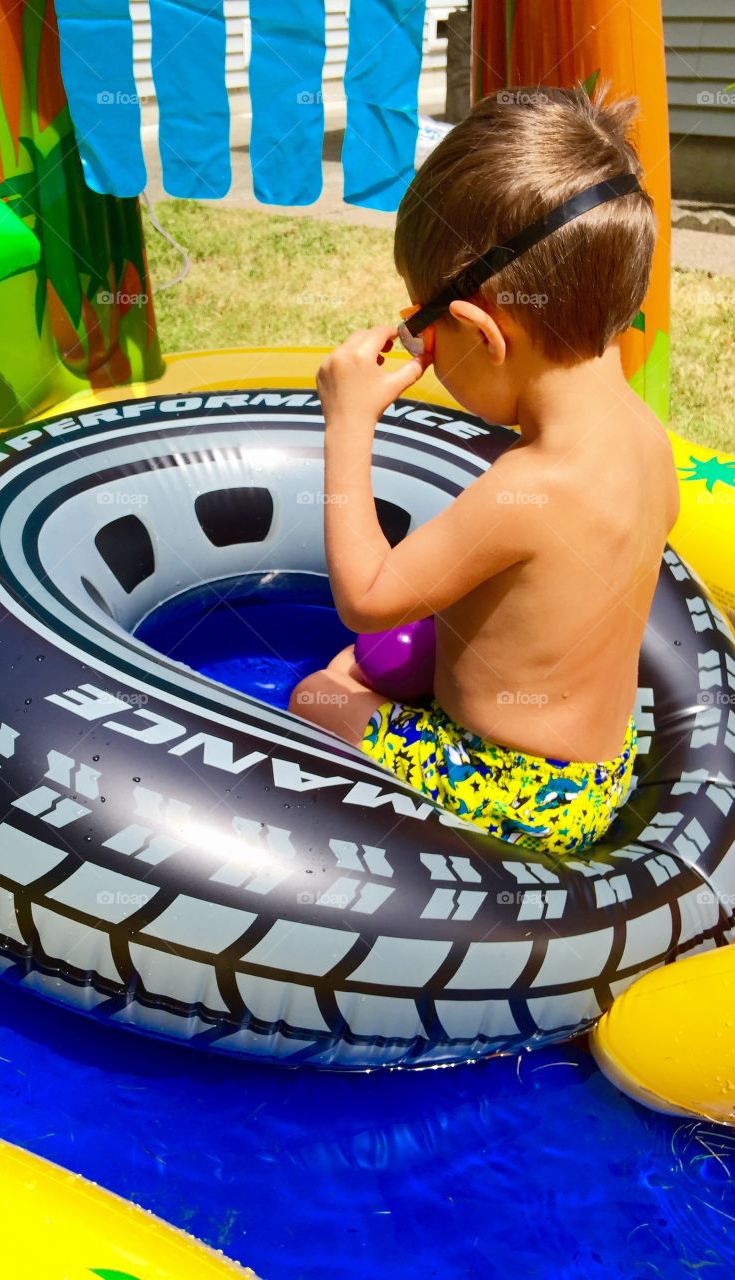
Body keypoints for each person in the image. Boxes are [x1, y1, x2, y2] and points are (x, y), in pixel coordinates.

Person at [288, 84, 680, 855]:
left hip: (511, 794)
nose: (422, 356)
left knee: (318, 691)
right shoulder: (644, 437)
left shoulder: (526, 488)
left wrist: (349, 422)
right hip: (597, 777)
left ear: (479, 331)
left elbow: (366, 600)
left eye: (422, 332)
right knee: (402, 659)